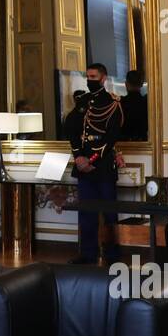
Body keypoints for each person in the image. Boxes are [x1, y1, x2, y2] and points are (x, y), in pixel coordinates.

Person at [67, 63, 124, 266]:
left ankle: (112, 256)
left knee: (109, 214)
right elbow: (71, 129)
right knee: (86, 214)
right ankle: (87, 254)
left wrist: (92, 160)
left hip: (104, 167)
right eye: (88, 76)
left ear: (103, 78)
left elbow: (112, 136)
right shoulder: (82, 101)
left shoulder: (113, 103)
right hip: (84, 167)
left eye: (93, 76)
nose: (90, 80)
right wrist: (79, 158)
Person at [119, 70, 148, 141]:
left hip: (124, 144)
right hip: (143, 144)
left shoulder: (120, 103)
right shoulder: (147, 103)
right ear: (141, 84)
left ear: (126, 84)